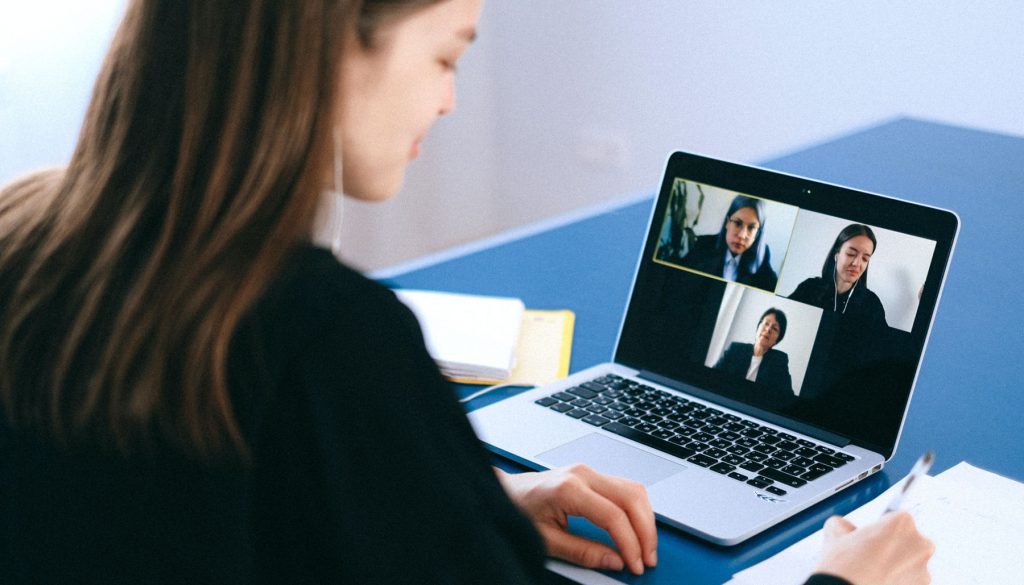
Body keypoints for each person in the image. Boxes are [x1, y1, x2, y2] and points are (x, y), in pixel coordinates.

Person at [0, 1, 933, 584]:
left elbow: (175, 505)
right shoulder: (331, 339)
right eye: (447, 55)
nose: (448, 101)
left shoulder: (24, 233)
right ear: (328, 43)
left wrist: (465, 500)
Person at [788, 224, 888, 329]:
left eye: (865, 259)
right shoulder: (809, 288)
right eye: (851, 253)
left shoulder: (872, 304)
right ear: (836, 254)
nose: (857, 264)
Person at [681, 195, 779, 291]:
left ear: (758, 233)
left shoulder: (762, 255)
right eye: (737, 223)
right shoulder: (704, 244)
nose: (742, 235)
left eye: (751, 228)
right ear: (727, 222)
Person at [714, 308, 794, 398]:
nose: (768, 330)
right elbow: (713, 377)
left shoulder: (779, 361)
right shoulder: (735, 349)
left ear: (777, 340)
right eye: (766, 323)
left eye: (774, 328)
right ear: (758, 327)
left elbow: (787, 397)